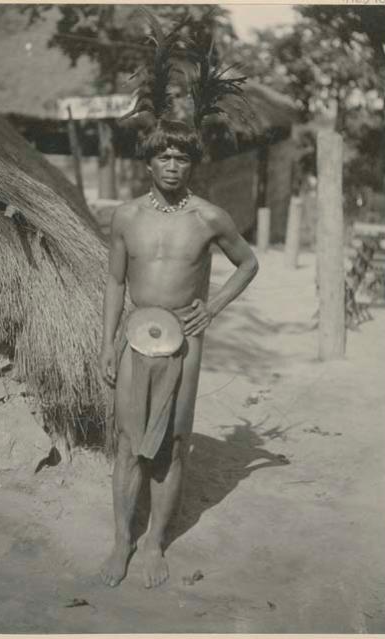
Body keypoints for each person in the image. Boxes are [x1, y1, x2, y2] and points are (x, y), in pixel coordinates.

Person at [98, 118, 259, 588]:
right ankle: (121, 541)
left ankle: (153, 543)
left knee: (172, 444)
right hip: (133, 337)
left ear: (193, 163)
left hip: (185, 341)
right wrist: (106, 343)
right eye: (164, 156)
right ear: (147, 161)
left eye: (182, 157)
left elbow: (248, 263)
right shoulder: (125, 217)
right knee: (128, 443)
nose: (172, 166)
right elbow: (113, 281)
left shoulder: (209, 217)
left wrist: (212, 308)